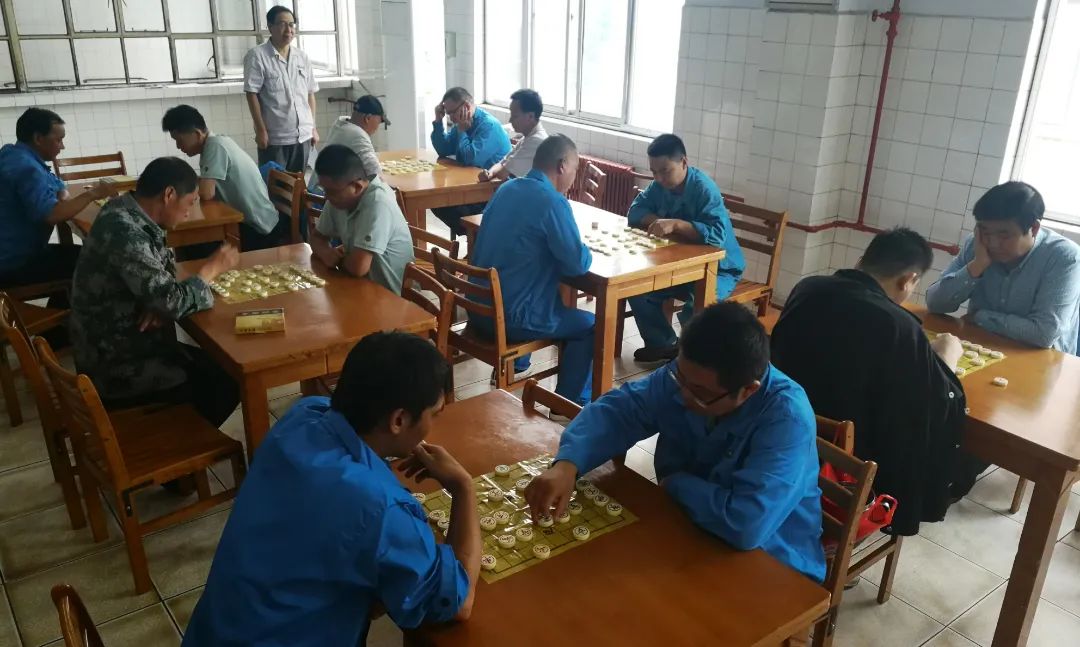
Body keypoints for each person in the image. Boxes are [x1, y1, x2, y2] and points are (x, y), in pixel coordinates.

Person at [183, 331, 480, 646]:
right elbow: (459, 604)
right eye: (434, 415)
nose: (433, 427)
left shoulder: (305, 415)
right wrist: (463, 487)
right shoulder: (379, 508)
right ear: (398, 420)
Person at [525, 303, 825, 582]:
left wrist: (675, 483)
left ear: (748, 391)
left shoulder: (787, 420)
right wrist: (567, 464)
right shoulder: (686, 378)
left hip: (772, 563)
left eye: (700, 393)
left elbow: (746, 524)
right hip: (685, 525)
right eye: (679, 377)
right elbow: (620, 411)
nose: (683, 395)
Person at [772, 228, 986, 536]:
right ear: (908, 280)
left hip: (793, 424)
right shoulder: (898, 325)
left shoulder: (808, 287)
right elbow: (934, 401)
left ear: (861, 261)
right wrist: (945, 357)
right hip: (847, 457)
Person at [69, 157, 240, 428]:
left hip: (122, 342)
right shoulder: (125, 230)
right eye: (190, 202)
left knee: (219, 366)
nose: (190, 211)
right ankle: (177, 446)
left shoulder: (125, 210)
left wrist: (159, 302)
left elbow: (163, 287)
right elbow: (171, 301)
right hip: (116, 365)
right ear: (169, 195)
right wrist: (209, 271)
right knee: (227, 380)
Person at [469, 135, 593, 406]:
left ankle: (518, 363)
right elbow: (577, 264)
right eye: (575, 169)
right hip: (511, 321)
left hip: (477, 309)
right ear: (562, 166)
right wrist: (586, 248)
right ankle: (567, 404)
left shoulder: (507, 188)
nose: (574, 178)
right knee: (590, 325)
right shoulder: (552, 202)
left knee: (537, 289)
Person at [627, 134, 746, 363]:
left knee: (695, 307)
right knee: (636, 289)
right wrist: (656, 221)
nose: (659, 178)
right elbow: (635, 211)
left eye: (665, 171)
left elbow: (717, 236)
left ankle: (689, 356)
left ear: (683, 162)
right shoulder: (659, 186)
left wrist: (678, 224)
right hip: (679, 265)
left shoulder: (704, 189)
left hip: (719, 268)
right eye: (654, 172)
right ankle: (662, 344)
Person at [926, 181, 1080, 354]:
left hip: (1041, 358)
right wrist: (977, 265)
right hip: (982, 346)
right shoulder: (976, 245)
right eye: (985, 231)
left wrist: (980, 317)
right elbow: (935, 304)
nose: (992, 243)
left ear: (1034, 228)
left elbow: (1044, 334)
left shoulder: (1064, 257)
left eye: (1004, 235)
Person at [0, 108, 121, 304]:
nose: (62, 146)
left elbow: (55, 183)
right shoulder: (27, 168)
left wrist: (62, 192)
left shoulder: (12, 154)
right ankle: (67, 317)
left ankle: (60, 311)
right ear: (38, 138)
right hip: (14, 263)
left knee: (85, 256)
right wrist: (94, 193)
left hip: (12, 253)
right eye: (58, 140)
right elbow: (52, 215)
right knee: (97, 263)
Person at [162, 104, 288, 251]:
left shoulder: (215, 147)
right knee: (194, 241)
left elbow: (206, 193)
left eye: (179, 140)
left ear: (196, 133)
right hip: (259, 222)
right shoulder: (217, 142)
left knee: (192, 244)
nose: (178, 146)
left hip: (259, 229)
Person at [310, 145, 414, 294]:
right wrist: (327, 254)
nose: (326, 196)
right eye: (324, 189)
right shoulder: (337, 198)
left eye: (331, 191)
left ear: (357, 187)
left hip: (393, 296)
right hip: (361, 287)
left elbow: (358, 267)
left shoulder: (378, 202)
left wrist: (338, 258)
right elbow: (316, 238)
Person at [243, 5, 320, 173]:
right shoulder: (257, 56)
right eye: (283, 24)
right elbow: (252, 94)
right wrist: (261, 131)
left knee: (298, 184)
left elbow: (310, 94)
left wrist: (313, 128)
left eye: (291, 24)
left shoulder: (302, 57)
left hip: (303, 136)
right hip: (275, 138)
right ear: (270, 27)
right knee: (275, 184)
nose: (288, 29)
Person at [430, 87, 512, 238]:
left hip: (491, 193)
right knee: (436, 202)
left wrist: (462, 130)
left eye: (452, 113)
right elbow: (443, 149)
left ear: (466, 106)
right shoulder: (462, 124)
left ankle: (478, 239)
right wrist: (438, 121)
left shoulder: (488, 126)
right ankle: (475, 239)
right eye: (447, 114)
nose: (451, 118)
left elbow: (470, 159)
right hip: (470, 187)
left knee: (444, 205)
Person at [307, 94, 389, 194]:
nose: (377, 128)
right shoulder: (357, 135)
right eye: (379, 122)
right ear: (368, 118)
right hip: (322, 197)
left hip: (315, 189)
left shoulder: (340, 124)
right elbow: (376, 175)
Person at [479, 88, 548, 182]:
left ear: (530, 116)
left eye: (515, 116)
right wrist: (489, 173)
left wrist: (494, 173)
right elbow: (502, 163)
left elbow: (502, 173)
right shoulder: (527, 137)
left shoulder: (536, 141)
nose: (510, 120)